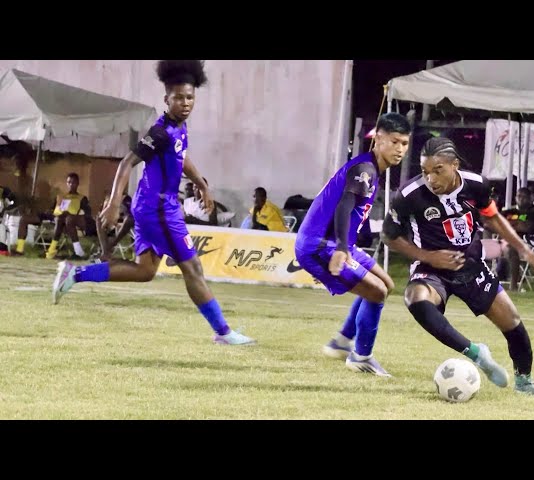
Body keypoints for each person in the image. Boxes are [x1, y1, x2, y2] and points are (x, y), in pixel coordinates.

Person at [52, 60, 254, 346]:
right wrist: (111, 204)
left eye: (190, 97)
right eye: (179, 98)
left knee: (145, 271)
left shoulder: (179, 129)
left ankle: (74, 273)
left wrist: (201, 183)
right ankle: (223, 332)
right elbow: (126, 163)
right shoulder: (159, 133)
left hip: (153, 207)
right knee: (193, 268)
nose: (185, 103)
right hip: (159, 209)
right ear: (166, 99)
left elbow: (181, 158)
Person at [382, 137, 534, 398]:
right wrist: (428, 257)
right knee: (415, 298)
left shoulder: (477, 185)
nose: (431, 179)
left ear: (454, 165)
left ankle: (524, 382)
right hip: (432, 268)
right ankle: (477, 354)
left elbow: (492, 217)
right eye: (425, 172)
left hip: (471, 266)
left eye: (438, 170)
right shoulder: (408, 195)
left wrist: (525, 250)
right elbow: (389, 236)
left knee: (513, 322)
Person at [295, 112, 411, 377]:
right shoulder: (365, 170)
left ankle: (343, 341)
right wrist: (342, 250)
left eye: (404, 143)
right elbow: (345, 206)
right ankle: (361, 357)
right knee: (377, 292)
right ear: (378, 139)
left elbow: (355, 209)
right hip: (321, 244)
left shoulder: (372, 169)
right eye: (394, 142)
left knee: (387, 285)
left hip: (338, 241)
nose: (400, 149)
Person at [95, 192, 135, 262]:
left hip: (124, 221)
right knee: (99, 219)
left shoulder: (126, 199)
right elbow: (102, 213)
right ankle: (105, 252)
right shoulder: (108, 201)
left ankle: (111, 246)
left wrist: (118, 223)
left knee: (129, 219)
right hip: (111, 223)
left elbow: (129, 214)